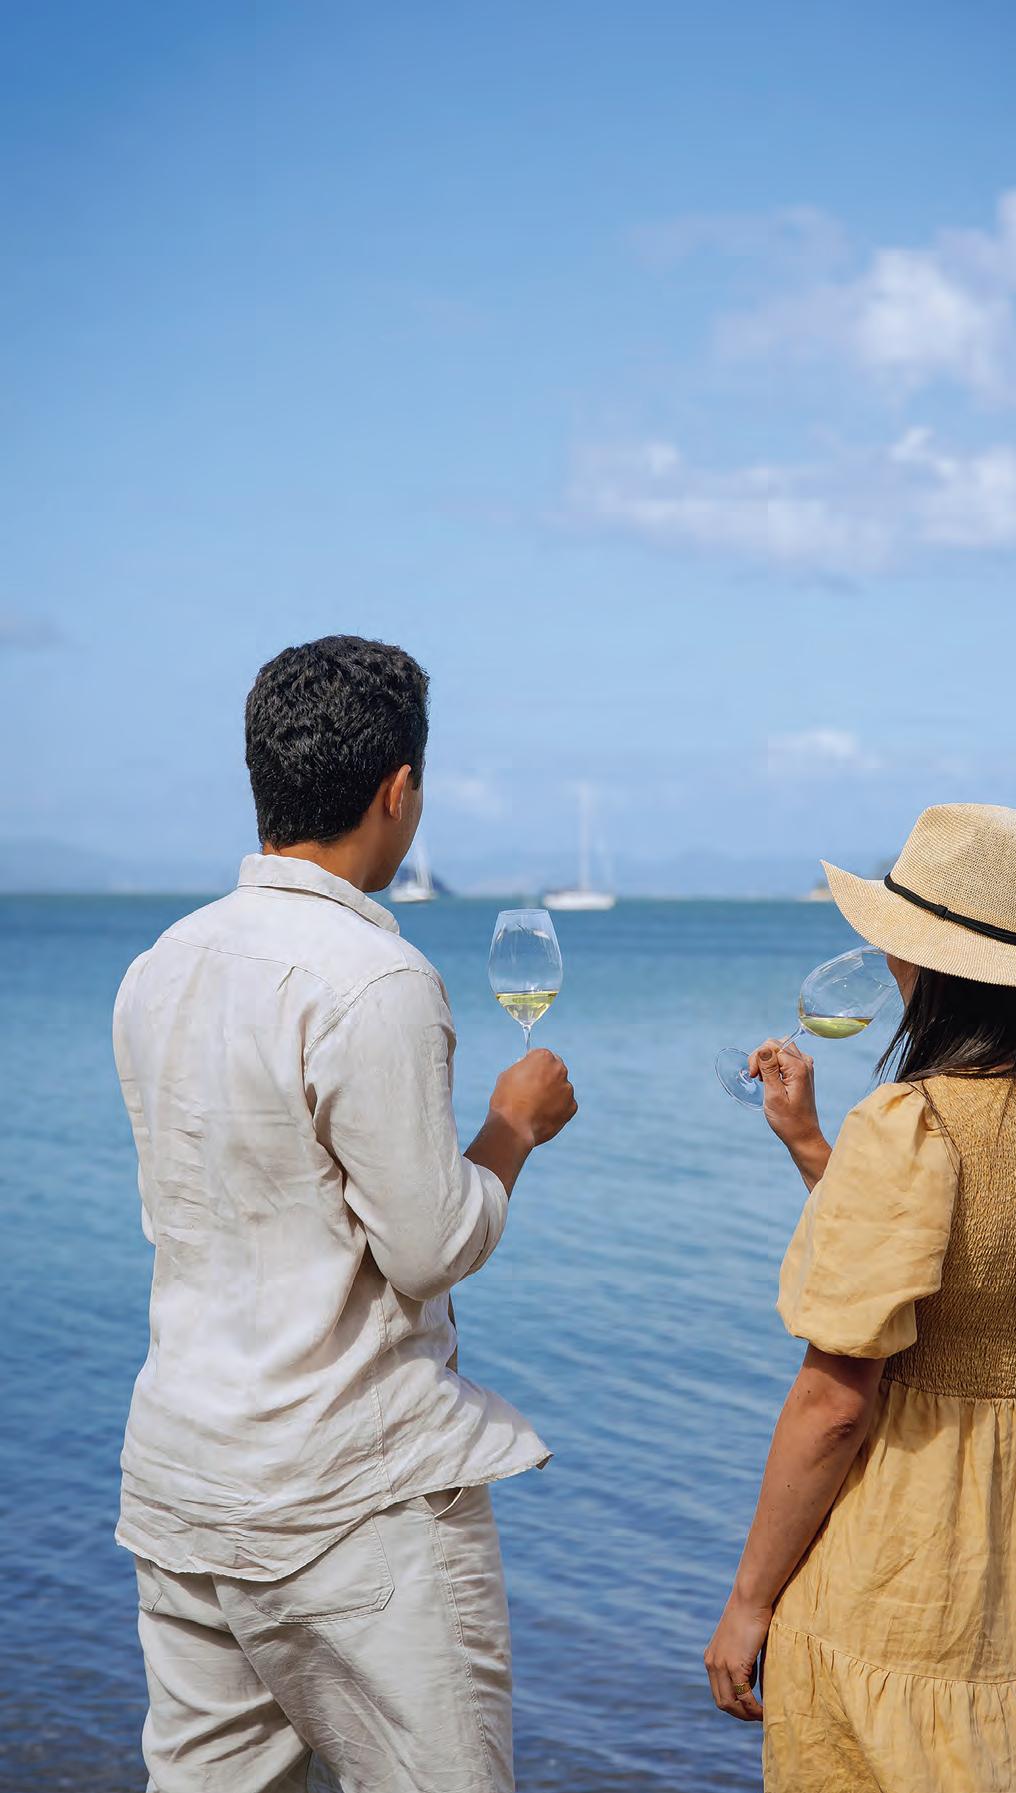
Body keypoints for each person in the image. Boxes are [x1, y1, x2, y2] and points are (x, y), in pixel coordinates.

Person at [113, 635, 577, 1793]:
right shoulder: (376, 979)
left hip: (184, 1474)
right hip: (349, 1495)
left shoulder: (159, 965)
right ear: (398, 789)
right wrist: (512, 1126)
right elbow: (429, 1246)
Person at [704, 803, 1016, 1792]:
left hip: (903, 1535)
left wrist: (747, 1600)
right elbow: (956, 1269)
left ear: (932, 963)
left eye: (896, 939)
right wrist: (811, 1145)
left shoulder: (912, 1121)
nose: (887, 958)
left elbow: (834, 1400)